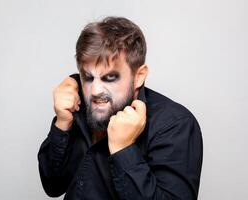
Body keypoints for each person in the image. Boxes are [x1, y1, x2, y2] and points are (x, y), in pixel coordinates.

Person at [37, 16, 203, 200]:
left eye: (110, 78)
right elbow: (52, 186)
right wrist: (62, 123)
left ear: (139, 76)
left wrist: (123, 149)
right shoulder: (77, 105)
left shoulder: (174, 125)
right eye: (88, 77)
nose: (95, 91)